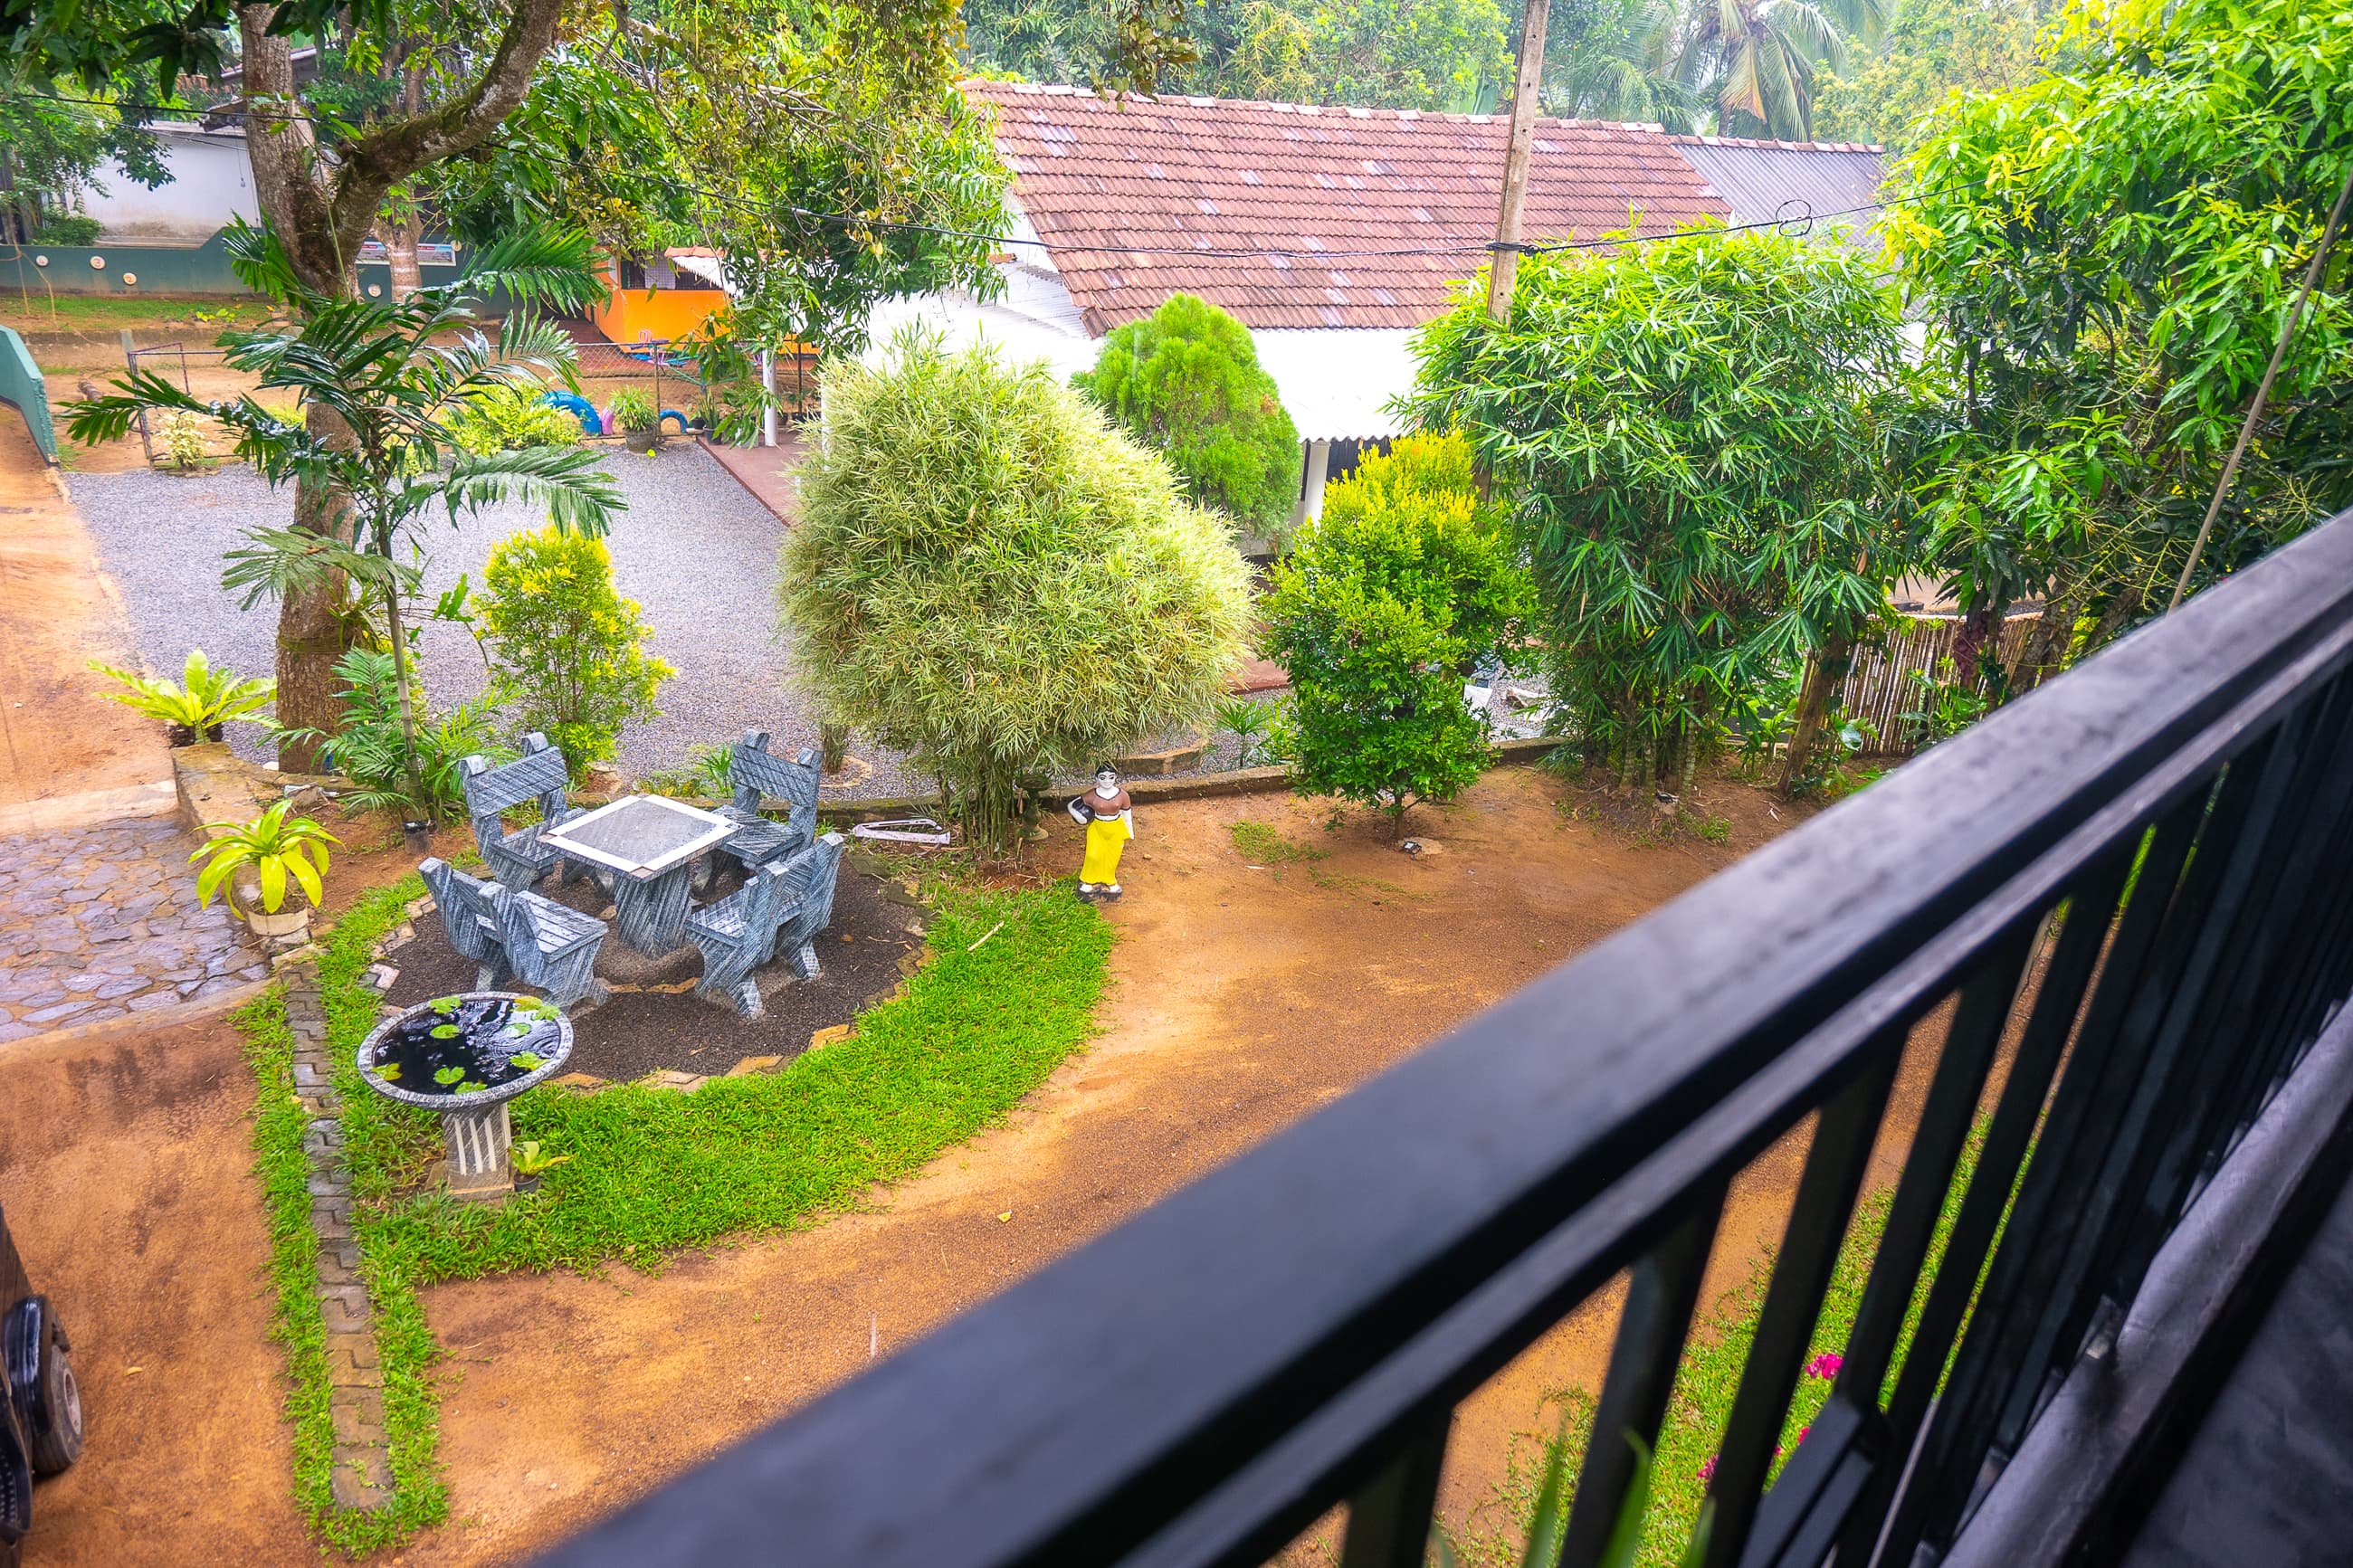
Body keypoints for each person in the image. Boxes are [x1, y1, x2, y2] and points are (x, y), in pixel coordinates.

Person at [1067, 765, 1135, 900]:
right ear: (1097, 778)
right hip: (1098, 826)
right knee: (1093, 855)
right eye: (1103, 778)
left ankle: (1109, 881)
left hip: (1115, 827)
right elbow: (1071, 805)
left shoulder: (1122, 795)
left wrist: (1130, 831)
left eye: (1111, 777)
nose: (1107, 781)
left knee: (1112, 856)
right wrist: (1079, 817)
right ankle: (1087, 880)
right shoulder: (1092, 794)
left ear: (1115, 777)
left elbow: (1127, 814)